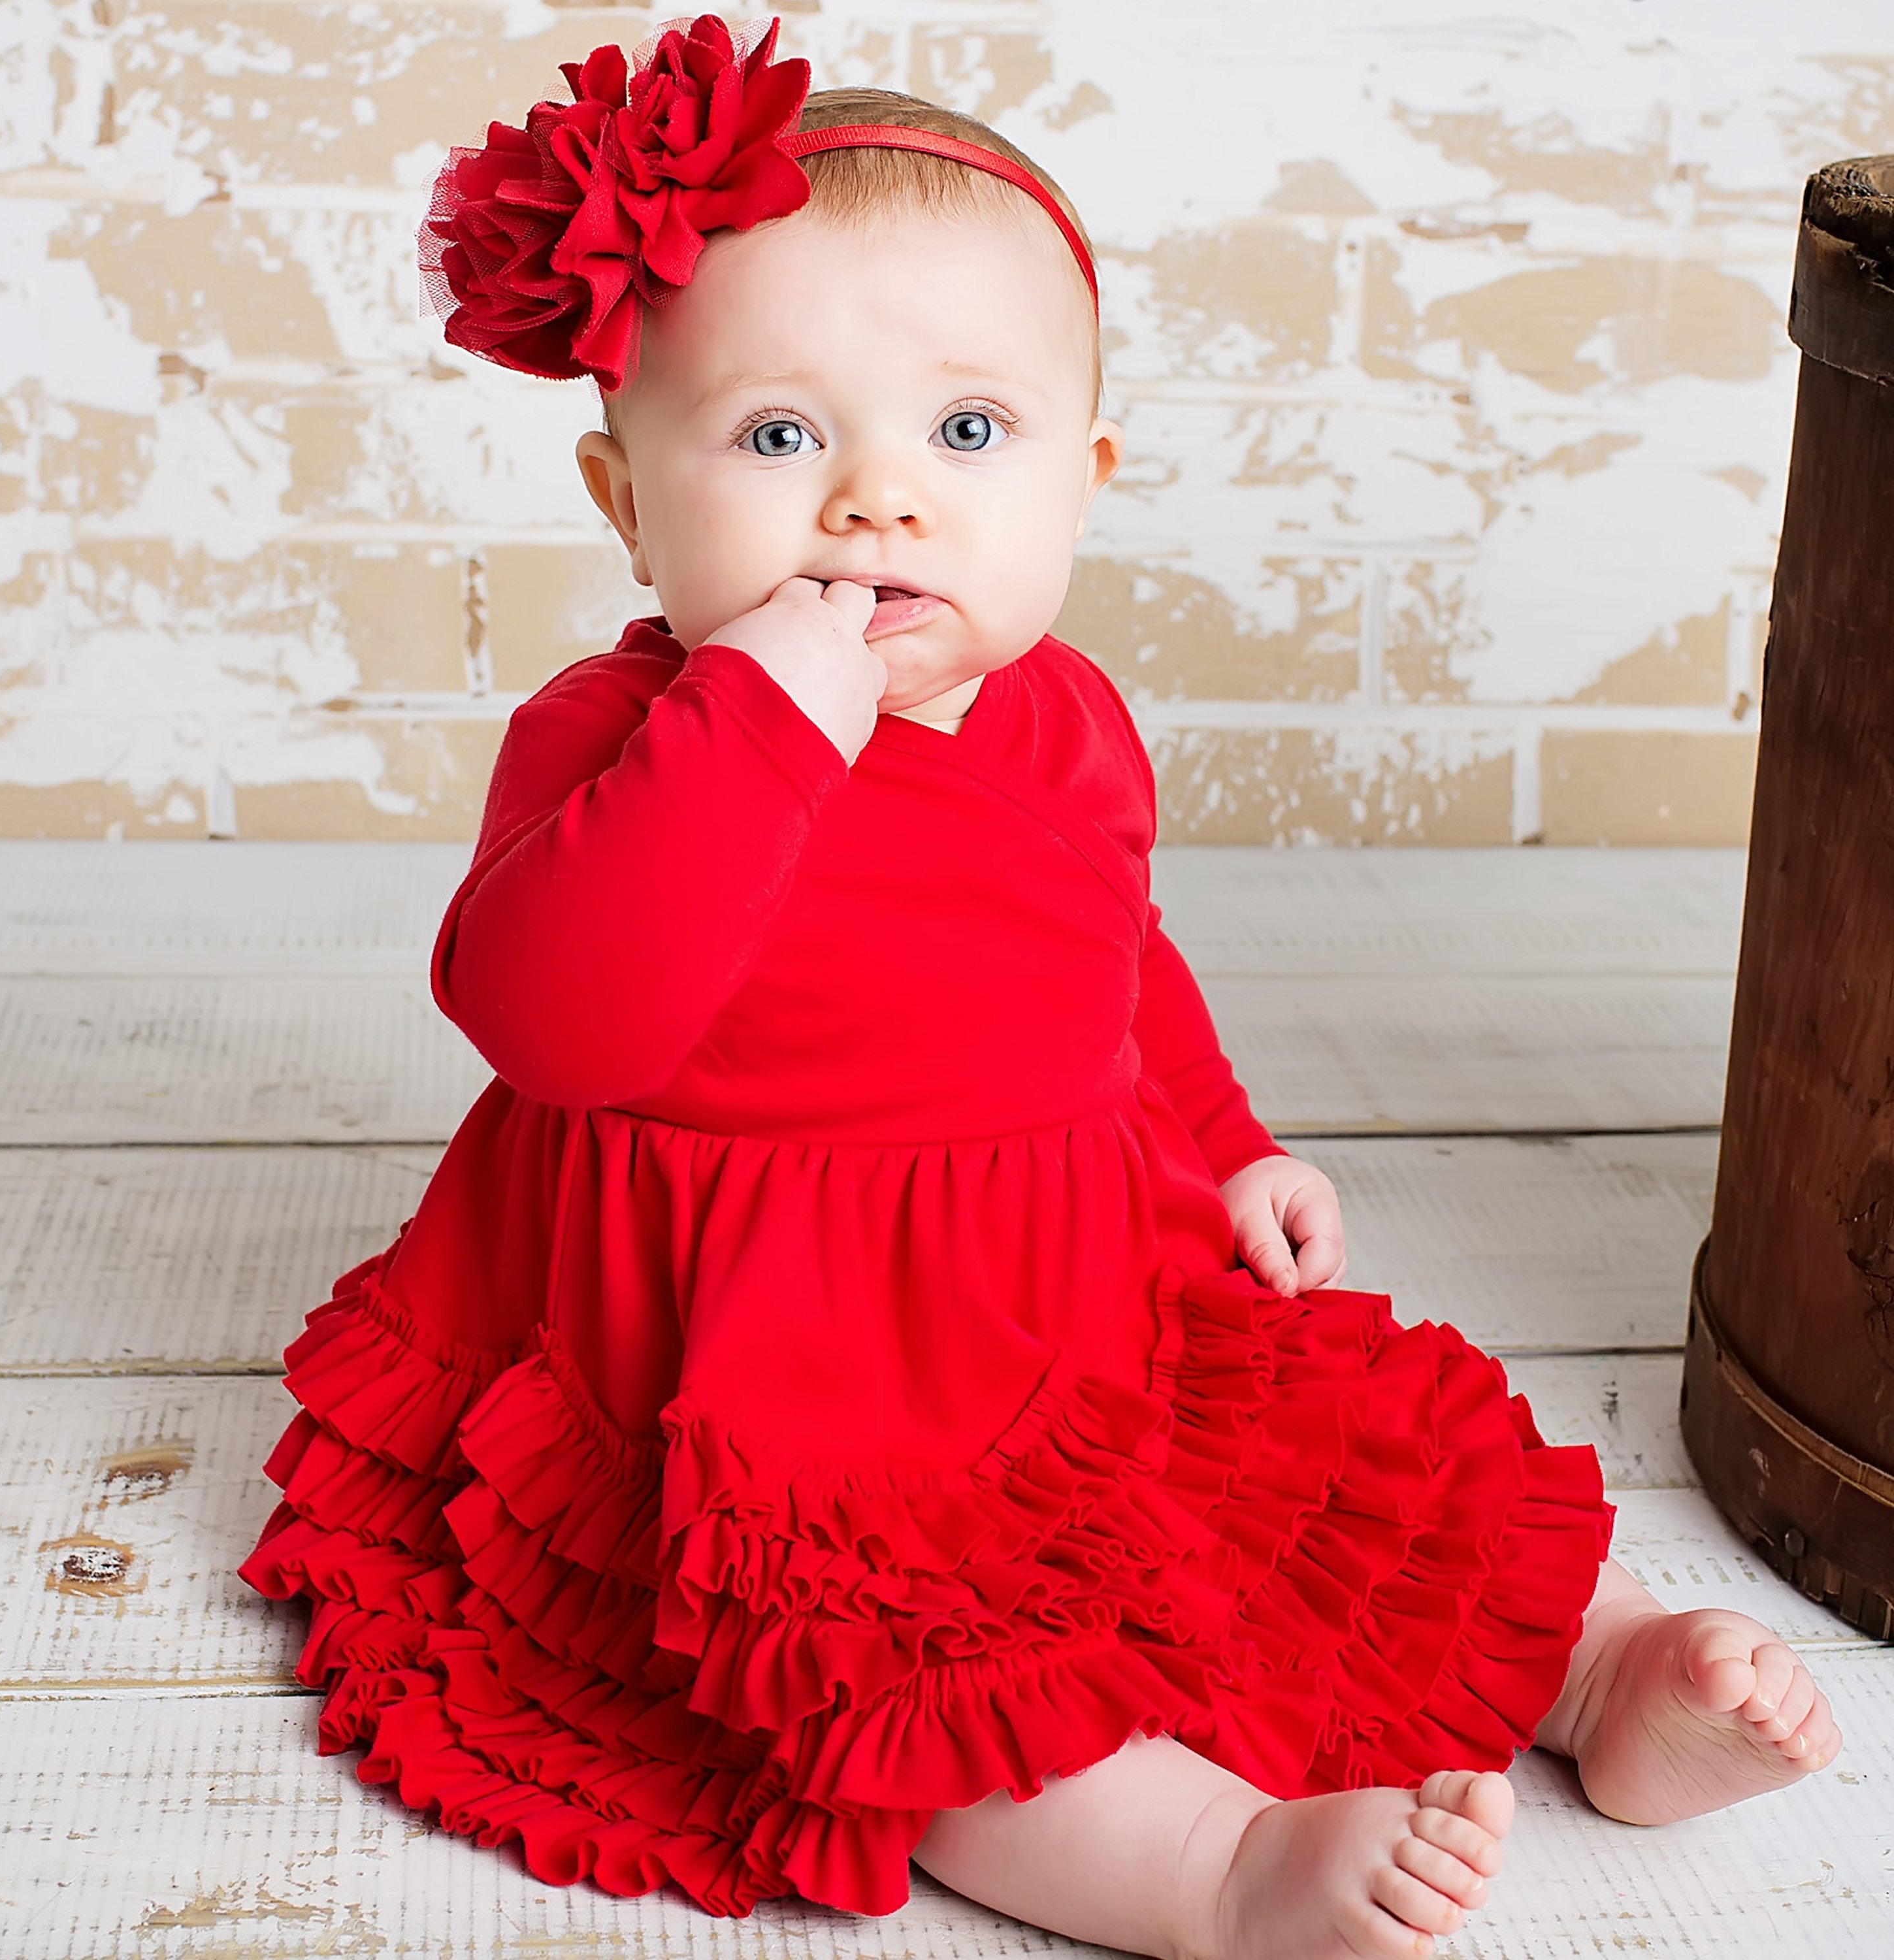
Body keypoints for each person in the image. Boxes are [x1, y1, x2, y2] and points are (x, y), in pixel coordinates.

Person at [239, 18, 1842, 1957]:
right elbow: (567, 1019)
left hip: (1063, 1286)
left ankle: (1604, 1679)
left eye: (967, 436)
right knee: (896, 1676)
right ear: (621, 500)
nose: (876, 504)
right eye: (775, 437)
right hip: (766, 1375)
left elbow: (1113, 964)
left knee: (1328, 1479)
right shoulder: (622, 736)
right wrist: (756, 725)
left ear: (1080, 476)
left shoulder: (1062, 717)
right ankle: (1216, 1871)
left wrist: (1225, 1144)